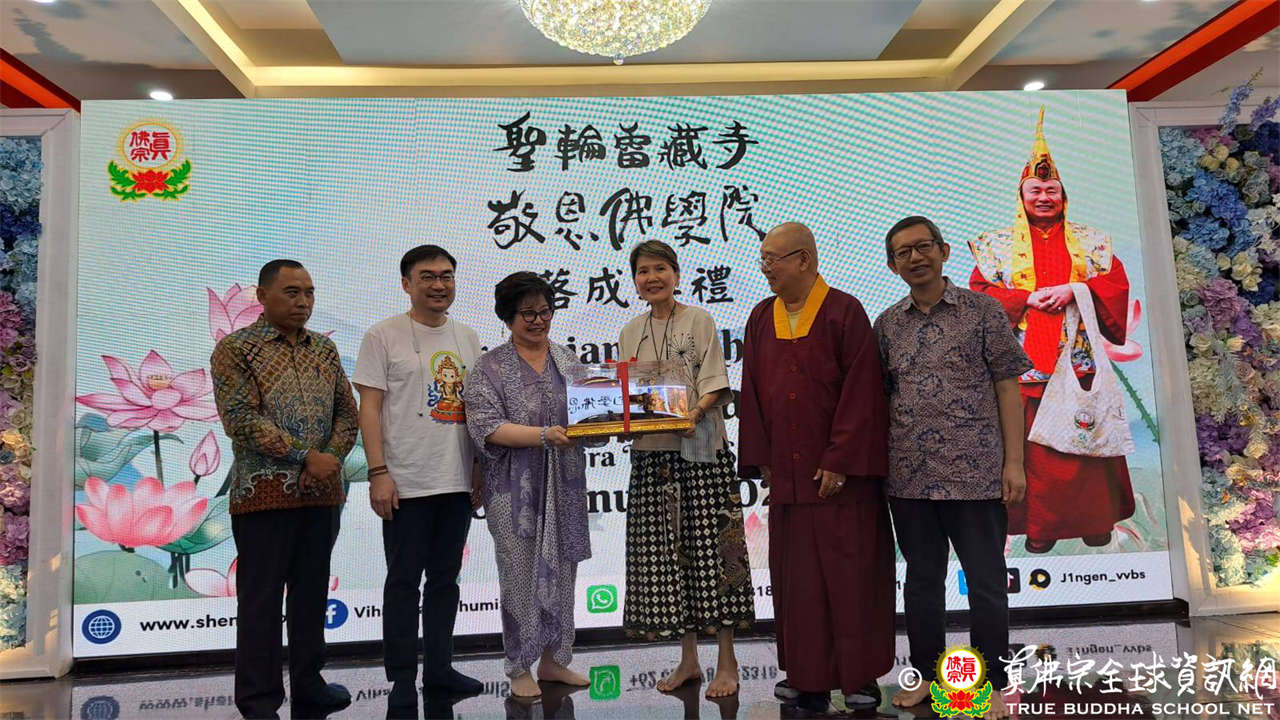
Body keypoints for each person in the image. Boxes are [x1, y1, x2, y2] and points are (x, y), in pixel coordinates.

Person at [875, 216, 1032, 720]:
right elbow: (881, 398)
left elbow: (1008, 386)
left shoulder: (983, 311)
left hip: (977, 472)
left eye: (923, 247)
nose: (915, 258)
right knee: (922, 582)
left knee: (986, 582)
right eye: (903, 252)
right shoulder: (887, 324)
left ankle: (994, 682)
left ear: (943, 251)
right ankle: (927, 676)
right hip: (910, 476)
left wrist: (1014, 462)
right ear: (892, 265)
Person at [736, 222, 894, 714]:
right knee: (798, 584)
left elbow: (863, 393)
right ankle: (807, 678)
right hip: (789, 477)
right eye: (763, 259)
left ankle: (860, 678)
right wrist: (763, 460)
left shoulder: (844, 311)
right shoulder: (761, 317)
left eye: (773, 259)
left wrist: (840, 460)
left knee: (852, 578)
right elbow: (752, 392)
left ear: (804, 259)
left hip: (841, 481)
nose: (766, 268)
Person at [968, 106, 1134, 553]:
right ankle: (1039, 530)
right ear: (1021, 195)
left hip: (1076, 360)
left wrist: (1076, 290)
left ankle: (1095, 522)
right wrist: (1024, 299)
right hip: (1025, 362)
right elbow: (979, 294)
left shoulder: (1092, 242)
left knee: (1083, 441)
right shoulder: (996, 246)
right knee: (1033, 455)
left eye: (1051, 189)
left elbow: (1115, 284)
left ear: (1063, 195)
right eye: (1035, 190)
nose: (1044, 197)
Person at [210, 259, 358, 719]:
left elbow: (347, 413)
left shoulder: (324, 350)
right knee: (261, 600)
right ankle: (259, 700)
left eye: (309, 293)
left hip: (321, 494)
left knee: (311, 595)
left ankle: (310, 685)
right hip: (263, 497)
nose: (303, 302)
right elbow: (240, 419)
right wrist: (303, 456)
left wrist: (328, 457)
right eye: (292, 292)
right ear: (262, 296)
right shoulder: (236, 349)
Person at [617, 240, 754, 698]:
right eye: (643, 271)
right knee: (669, 559)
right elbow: (627, 397)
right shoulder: (630, 331)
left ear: (676, 275)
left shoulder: (700, 320)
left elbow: (715, 383)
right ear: (635, 280)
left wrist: (691, 414)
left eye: (660, 268)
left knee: (717, 556)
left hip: (702, 454)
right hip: (652, 457)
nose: (651, 278)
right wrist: (616, 421)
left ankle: (727, 662)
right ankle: (689, 660)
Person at [352, 245, 485, 711]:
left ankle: (440, 669)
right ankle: (402, 677)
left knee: (446, 580)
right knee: (404, 581)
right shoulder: (382, 335)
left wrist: (478, 468)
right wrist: (378, 473)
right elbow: (369, 409)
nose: (438, 285)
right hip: (404, 482)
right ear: (406, 283)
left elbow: (477, 410)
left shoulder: (467, 337)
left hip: (455, 480)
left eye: (446, 276)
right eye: (427, 276)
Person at [463, 272, 591, 700]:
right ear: (507, 316)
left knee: (564, 574)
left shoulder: (569, 361)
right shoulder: (489, 368)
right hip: (512, 491)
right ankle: (519, 665)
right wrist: (542, 435)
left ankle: (555, 660)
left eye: (545, 311)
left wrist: (608, 421)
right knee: (518, 576)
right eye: (528, 313)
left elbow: (590, 416)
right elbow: (487, 427)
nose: (539, 320)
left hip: (565, 486)